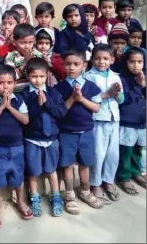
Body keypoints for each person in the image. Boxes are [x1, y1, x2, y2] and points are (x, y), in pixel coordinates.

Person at [0, 65, 33, 229]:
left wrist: (10, 107)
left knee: (18, 177)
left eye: (9, 82)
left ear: (15, 84)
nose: (5, 86)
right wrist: (2, 106)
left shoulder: (18, 100)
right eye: (1, 83)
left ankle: (20, 201)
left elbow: (25, 120)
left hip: (17, 146)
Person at [55, 50, 103, 215]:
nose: (71, 68)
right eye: (68, 64)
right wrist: (72, 99)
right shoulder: (59, 88)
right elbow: (60, 111)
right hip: (67, 133)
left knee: (85, 163)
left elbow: (96, 108)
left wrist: (82, 99)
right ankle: (69, 195)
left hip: (86, 132)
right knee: (67, 163)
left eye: (76, 64)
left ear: (84, 65)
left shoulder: (90, 86)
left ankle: (85, 190)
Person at [22, 58, 67, 217]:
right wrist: (38, 105)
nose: (38, 80)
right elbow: (25, 117)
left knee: (51, 170)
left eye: (41, 76)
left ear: (47, 75)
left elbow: (62, 113)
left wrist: (47, 103)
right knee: (33, 171)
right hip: (32, 139)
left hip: (51, 139)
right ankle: (34, 197)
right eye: (34, 77)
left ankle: (55, 196)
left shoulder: (53, 93)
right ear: (28, 76)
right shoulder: (25, 94)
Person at [84, 44, 124, 205]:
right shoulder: (89, 76)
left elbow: (121, 100)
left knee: (113, 154)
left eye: (106, 58)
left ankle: (108, 180)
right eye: (98, 58)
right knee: (98, 153)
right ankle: (96, 184)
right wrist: (108, 94)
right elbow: (89, 99)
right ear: (92, 60)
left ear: (112, 60)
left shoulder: (115, 76)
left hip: (114, 119)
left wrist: (117, 93)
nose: (102, 62)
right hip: (98, 119)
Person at [116, 48, 146, 194]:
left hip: (142, 121)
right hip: (127, 121)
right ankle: (124, 176)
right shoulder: (122, 79)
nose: (136, 65)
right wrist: (137, 86)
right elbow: (123, 100)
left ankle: (136, 172)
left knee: (137, 150)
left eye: (140, 62)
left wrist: (143, 85)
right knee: (126, 151)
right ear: (126, 62)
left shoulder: (144, 77)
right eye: (132, 61)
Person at [5, 23, 42, 93]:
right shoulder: (11, 57)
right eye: (23, 43)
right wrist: (25, 63)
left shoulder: (38, 55)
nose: (27, 46)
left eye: (30, 42)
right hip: (17, 93)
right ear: (14, 42)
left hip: (35, 92)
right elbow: (9, 77)